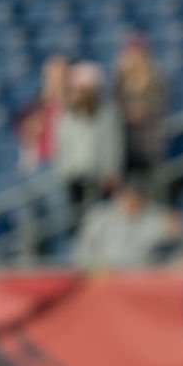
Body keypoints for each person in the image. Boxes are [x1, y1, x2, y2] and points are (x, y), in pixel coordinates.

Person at [55, 61, 125, 237]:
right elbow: (63, 147)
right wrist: (65, 172)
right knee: (77, 220)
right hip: (75, 176)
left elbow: (113, 145)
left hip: (100, 176)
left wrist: (111, 171)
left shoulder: (107, 114)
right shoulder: (67, 116)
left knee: (102, 219)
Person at [73, 183, 180, 268]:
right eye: (128, 197)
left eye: (137, 198)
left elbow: (174, 235)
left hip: (138, 275)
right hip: (103, 274)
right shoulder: (100, 215)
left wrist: (174, 227)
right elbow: (84, 245)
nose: (132, 202)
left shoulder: (154, 217)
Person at [114, 34, 166, 186]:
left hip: (148, 146)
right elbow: (114, 108)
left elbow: (158, 107)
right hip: (124, 146)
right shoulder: (119, 81)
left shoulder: (155, 80)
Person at [15, 54, 68, 174]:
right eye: (49, 74)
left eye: (57, 73)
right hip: (40, 162)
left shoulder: (70, 102)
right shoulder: (36, 102)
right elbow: (25, 131)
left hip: (62, 161)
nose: (52, 78)